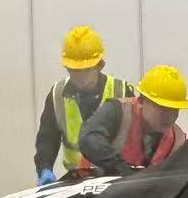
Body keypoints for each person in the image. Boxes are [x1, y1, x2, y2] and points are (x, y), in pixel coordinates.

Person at [33, 26, 135, 186]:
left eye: (86, 70)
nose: (80, 76)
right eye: (74, 70)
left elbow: (136, 138)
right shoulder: (57, 94)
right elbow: (47, 138)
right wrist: (45, 168)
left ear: (100, 65)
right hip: (75, 181)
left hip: (115, 178)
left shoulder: (121, 91)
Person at [77, 64, 188, 176]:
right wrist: (121, 168)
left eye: (175, 109)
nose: (170, 116)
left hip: (138, 188)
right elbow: (89, 140)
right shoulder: (118, 111)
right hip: (89, 184)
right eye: (162, 108)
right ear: (141, 101)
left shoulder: (178, 140)